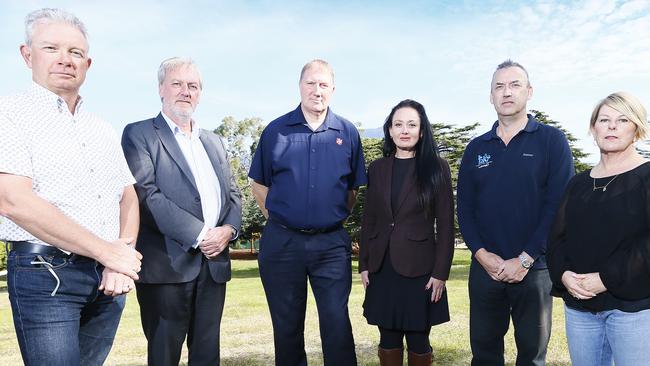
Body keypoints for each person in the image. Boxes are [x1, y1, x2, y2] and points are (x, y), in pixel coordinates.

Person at [0, 8, 143, 366]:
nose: (65, 60)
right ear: (26, 54)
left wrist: (119, 263)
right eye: (52, 48)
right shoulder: (9, 114)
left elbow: (128, 197)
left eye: (75, 52)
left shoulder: (102, 128)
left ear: (88, 63)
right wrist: (107, 252)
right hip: (45, 275)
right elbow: (13, 200)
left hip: (107, 281)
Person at [121, 57, 242, 366]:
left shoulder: (214, 141)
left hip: (214, 264)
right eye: (177, 84)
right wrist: (201, 235)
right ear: (161, 88)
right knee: (164, 355)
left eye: (193, 86)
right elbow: (146, 195)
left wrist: (228, 231)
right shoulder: (139, 134)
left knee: (206, 355)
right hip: (166, 266)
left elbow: (233, 193)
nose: (185, 91)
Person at [249, 59, 366, 366]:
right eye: (311, 83)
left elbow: (352, 190)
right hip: (283, 244)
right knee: (286, 327)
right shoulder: (276, 131)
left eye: (323, 84)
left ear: (333, 90)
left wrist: (326, 216)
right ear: (300, 86)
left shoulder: (348, 133)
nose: (317, 90)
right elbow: (258, 185)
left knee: (336, 323)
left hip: (330, 246)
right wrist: (281, 220)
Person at [457, 60, 574, 365]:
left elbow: (558, 206)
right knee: (483, 355)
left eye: (514, 85)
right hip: (485, 270)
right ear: (491, 96)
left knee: (532, 356)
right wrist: (482, 254)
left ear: (529, 91)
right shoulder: (475, 148)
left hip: (534, 270)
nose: (506, 92)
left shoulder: (552, 141)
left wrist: (525, 258)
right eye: (499, 86)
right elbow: (465, 209)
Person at [547, 92, 650, 366]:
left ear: (637, 129)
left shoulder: (647, 176)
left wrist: (606, 279)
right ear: (593, 129)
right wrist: (564, 275)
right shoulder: (577, 184)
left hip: (633, 310)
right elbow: (557, 239)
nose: (612, 126)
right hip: (579, 308)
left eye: (622, 119)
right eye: (604, 119)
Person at [359, 99, 454, 365]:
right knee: (387, 338)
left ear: (422, 131)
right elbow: (371, 219)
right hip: (382, 266)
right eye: (398, 124)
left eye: (412, 124)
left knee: (418, 339)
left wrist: (440, 273)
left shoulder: (437, 167)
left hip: (420, 269)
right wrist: (364, 264)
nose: (404, 130)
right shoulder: (377, 168)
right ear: (389, 130)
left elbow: (446, 225)